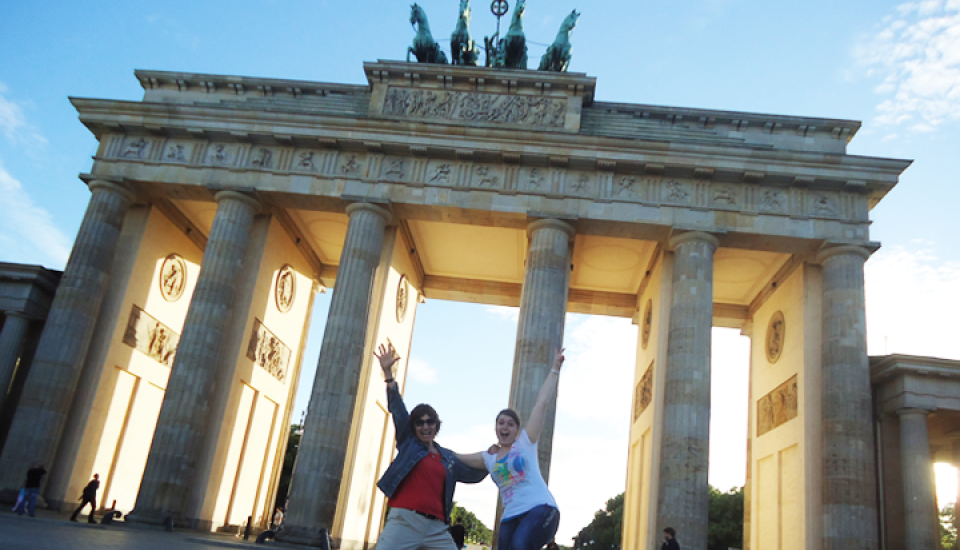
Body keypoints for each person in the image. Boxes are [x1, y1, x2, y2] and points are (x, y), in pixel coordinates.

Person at [374, 342, 488, 550]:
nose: (425, 426)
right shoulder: (409, 442)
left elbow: (473, 474)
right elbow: (398, 410)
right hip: (405, 522)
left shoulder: (448, 457)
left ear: (437, 426)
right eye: (419, 422)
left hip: (437, 528)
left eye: (430, 422)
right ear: (413, 426)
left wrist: (496, 458)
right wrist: (389, 375)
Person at [458, 349, 565, 550]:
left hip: (541, 509)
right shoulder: (488, 458)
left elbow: (541, 404)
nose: (505, 427)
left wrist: (555, 369)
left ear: (517, 430)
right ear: (496, 428)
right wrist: (429, 445)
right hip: (510, 517)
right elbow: (456, 457)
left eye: (510, 424)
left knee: (520, 544)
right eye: (501, 423)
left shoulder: (525, 443)